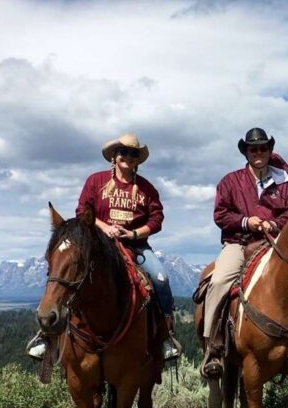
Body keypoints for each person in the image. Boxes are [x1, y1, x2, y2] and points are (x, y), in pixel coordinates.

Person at [27, 133, 181, 361]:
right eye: (123, 152)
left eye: (133, 153)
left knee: (160, 278)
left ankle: (165, 335)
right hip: (99, 245)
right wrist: (104, 227)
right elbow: (82, 212)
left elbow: (156, 220)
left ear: (138, 159)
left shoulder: (147, 189)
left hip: (135, 246)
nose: (128, 157)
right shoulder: (96, 181)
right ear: (114, 157)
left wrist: (133, 233)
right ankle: (47, 335)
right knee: (68, 272)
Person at [200, 127, 288, 379]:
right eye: (253, 148)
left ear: (270, 151)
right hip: (239, 243)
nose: (258, 152)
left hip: (273, 244)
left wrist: (274, 224)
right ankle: (213, 347)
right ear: (246, 152)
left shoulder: (284, 185)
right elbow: (221, 215)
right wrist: (247, 221)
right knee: (220, 280)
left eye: (263, 148)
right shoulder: (229, 181)